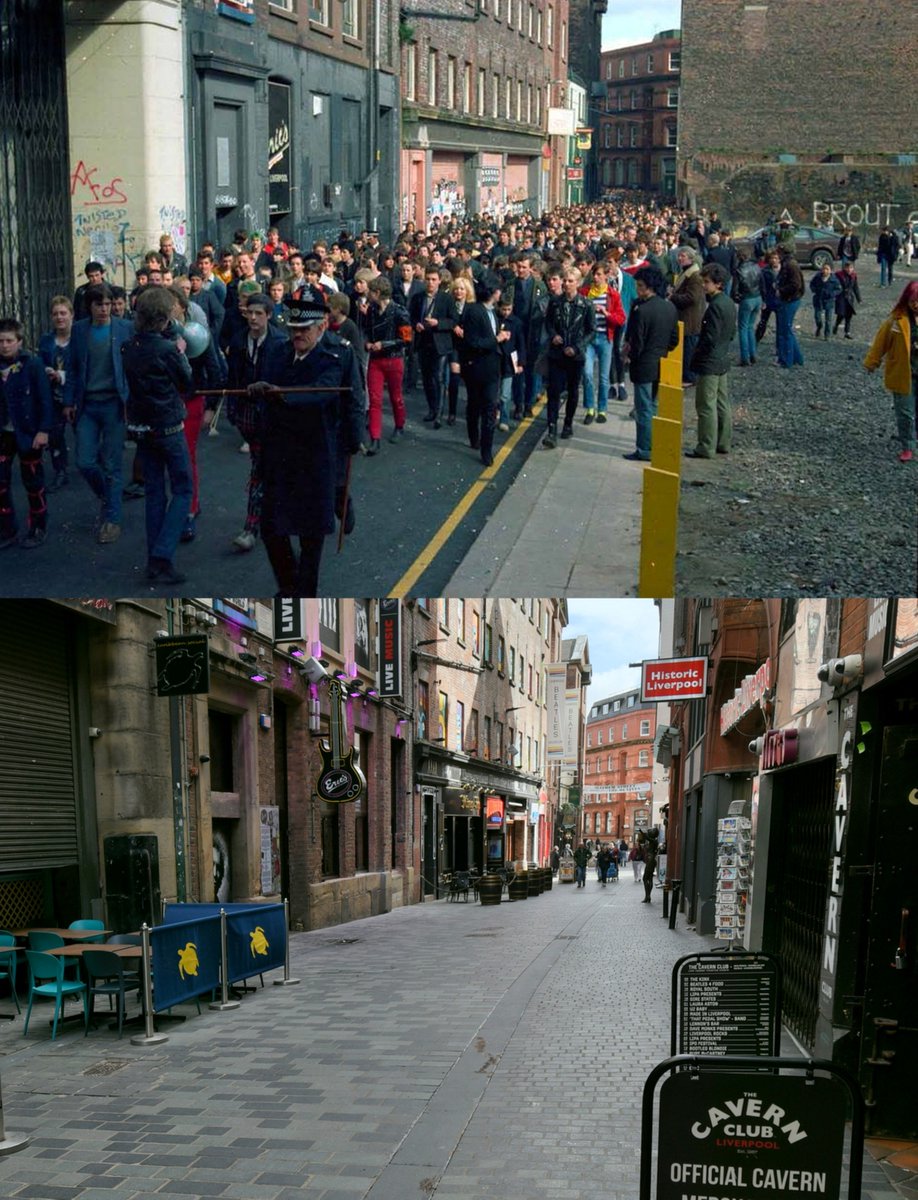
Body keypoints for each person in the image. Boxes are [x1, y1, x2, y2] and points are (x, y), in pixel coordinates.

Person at [247, 290, 365, 595]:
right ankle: (289, 586)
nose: (297, 335)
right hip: (280, 455)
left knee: (311, 536)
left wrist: (354, 442)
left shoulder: (338, 354)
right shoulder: (277, 352)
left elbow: (331, 394)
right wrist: (259, 391)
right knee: (271, 529)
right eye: (293, 329)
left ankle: (304, 595)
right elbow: (264, 392)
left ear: (322, 327)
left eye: (304, 329)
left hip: (319, 454)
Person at [120, 286, 194, 583]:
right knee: (183, 489)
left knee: (153, 492)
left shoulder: (128, 347)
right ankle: (163, 554)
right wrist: (180, 351)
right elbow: (186, 382)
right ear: (164, 319)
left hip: (142, 427)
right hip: (168, 426)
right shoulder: (167, 349)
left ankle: (155, 559)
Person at [64, 282, 133, 544]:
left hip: (115, 404)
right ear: (89, 306)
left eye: (107, 304)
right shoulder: (80, 330)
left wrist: (132, 403)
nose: (104, 309)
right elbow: (72, 369)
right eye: (98, 304)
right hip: (88, 405)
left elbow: (132, 367)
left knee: (113, 464)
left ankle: (112, 519)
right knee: (84, 461)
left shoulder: (124, 328)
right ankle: (108, 495)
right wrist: (68, 402)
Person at [224, 292, 288, 552]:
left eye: (258, 313)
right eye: (249, 313)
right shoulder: (239, 341)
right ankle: (261, 521)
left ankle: (253, 526)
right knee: (262, 470)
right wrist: (232, 409)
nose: (252, 318)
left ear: (269, 315)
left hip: (273, 417)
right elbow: (233, 378)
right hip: (247, 416)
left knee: (263, 472)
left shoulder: (280, 342)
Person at [0, 316, 52, 550]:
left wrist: (43, 431)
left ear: (19, 341)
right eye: (0, 341)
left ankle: (38, 526)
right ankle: (7, 528)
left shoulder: (32, 363)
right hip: (3, 432)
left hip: (28, 432)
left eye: (9, 340)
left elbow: (44, 399)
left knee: (33, 481)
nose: (4, 345)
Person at [622, 265, 679, 462]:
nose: (637, 289)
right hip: (662, 363)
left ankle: (644, 448)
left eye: (640, 286)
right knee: (653, 407)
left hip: (643, 365)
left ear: (648, 287)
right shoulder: (670, 307)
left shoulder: (642, 310)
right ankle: (654, 444)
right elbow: (674, 340)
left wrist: (630, 358)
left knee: (643, 409)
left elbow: (637, 343)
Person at [454, 271, 506, 467]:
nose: (500, 293)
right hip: (476, 368)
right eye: (498, 290)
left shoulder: (493, 311)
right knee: (474, 405)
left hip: (492, 369)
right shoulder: (474, 311)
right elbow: (473, 342)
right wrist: (496, 339)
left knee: (490, 409)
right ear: (492, 291)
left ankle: (487, 449)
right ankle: (474, 437)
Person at [685, 263, 737, 459]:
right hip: (722, 358)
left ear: (719, 284)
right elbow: (732, 332)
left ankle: (706, 446)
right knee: (722, 403)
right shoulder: (728, 302)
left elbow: (710, 338)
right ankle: (723, 442)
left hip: (710, 361)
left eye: (707, 282)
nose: (704, 286)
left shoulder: (715, 306)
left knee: (706, 405)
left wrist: (699, 355)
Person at [863, 280, 918, 463]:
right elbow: (881, 342)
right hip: (903, 374)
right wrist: (872, 362)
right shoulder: (897, 320)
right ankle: (908, 446)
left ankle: (913, 436)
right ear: (906, 300)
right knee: (905, 412)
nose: (916, 305)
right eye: (913, 301)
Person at [541, 268, 595, 447]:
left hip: (575, 355)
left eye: (570, 281)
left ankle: (568, 423)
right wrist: (553, 335)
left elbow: (591, 331)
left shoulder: (586, 305)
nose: (566, 284)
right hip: (557, 353)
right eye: (565, 280)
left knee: (572, 391)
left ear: (578, 283)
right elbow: (548, 323)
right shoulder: (555, 302)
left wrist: (578, 347)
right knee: (554, 390)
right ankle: (551, 430)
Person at [363, 276, 411, 455]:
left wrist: (384, 344)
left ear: (377, 293)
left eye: (370, 291)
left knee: (395, 397)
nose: (368, 294)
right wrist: (367, 343)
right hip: (376, 360)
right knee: (375, 399)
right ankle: (375, 438)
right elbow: (367, 331)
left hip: (393, 359)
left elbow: (406, 339)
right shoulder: (372, 311)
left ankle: (399, 425)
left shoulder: (400, 312)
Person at [410, 266, 458, 428]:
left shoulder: (446, 299)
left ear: (439, 281)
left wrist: (438, 323)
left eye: (433, 280)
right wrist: (416, 324)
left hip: (440, 343)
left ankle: (439, 413)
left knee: (438, 377)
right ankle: (432, 408)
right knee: (427, 378)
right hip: (423, 342)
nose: (430, 283)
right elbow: (411, 317)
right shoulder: (418, 298)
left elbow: (453, 321)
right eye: (428, 279)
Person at [38, 295, 75, 492]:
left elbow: (83, 368)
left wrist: (63, 375)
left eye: (63, 313)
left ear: (71, 315)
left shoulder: (79, 339)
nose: (59, 317)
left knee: (83, 433)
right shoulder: (46, 340)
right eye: (55, 314)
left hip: (75, 394)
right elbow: (40, 363)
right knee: (55, 435)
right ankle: (60, 471)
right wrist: (46, 371)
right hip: (52, 394)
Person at [580, 262, 624, 423]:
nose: (596, 277)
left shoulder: (613, 295)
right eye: (594, 274)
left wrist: (606, 313)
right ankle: (590, 408)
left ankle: (602, 409)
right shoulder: (585, 293)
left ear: (606, 275)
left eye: (599, 274)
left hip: (605, 338)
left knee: (604, 377)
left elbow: (620, 319)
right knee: (587, 374)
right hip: (589, 340)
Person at [668, 246, 705, 384]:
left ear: (690, 257)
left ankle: (690, 376)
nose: (680, 258)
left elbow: (692, 298)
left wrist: (673, 296)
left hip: (690, 319)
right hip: (685, 318)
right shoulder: (686, 273)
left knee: (689, 349)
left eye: (683, 256)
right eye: (679, 256)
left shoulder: (694, 276)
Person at [774, 248, 805, 368]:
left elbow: (795, 284)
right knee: (788, 330)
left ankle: (786, 361)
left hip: (789, 300)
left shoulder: (790, 265)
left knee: (784, 331)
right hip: (791, 299)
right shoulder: (791, 264)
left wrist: (781, 290)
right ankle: (797, 358)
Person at [732, 248, 762, 366]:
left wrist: (737, 299)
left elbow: (734, 290)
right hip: (757, 297)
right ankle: (753, 354)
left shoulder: (739, 270)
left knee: (743, 328)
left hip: (747, 299)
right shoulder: (756, 267)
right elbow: (762, 283)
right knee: (750, 327)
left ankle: (745, 358)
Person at [755, 249, 782, 345]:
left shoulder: (783, 270)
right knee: (763, 322)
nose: (774, 260)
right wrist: (763, 300)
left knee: (780, 324)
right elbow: (762, 287)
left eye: (776, 258)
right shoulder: (765, 271)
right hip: (768, 299)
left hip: (780, 301)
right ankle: (756, 340)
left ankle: (779, 344)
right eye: (772, 258)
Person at [809, 262, 842, 340]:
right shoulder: (817, 277)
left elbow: (839, 289)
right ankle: (819, 327)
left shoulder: (834, 279)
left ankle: (827, 335)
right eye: (824, 268)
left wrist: (832, 294)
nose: (825, 271)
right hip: (818, 300)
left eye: (827, 269)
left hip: (829, 301)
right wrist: (814, 290)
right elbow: (812, 284)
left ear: (830, 270)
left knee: (828, 319)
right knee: (817, 317)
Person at [834, 260, 862, 339]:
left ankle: (847, 332)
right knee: (841, 314)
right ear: (845, 268)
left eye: (851, 268)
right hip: (841, 297)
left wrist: (859, 298)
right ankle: (836, 325)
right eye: (848, 268)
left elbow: (855, 287)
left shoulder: (853, 276)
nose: (849, 270)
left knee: (849, 315)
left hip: (849, 297)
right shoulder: (839, 275)